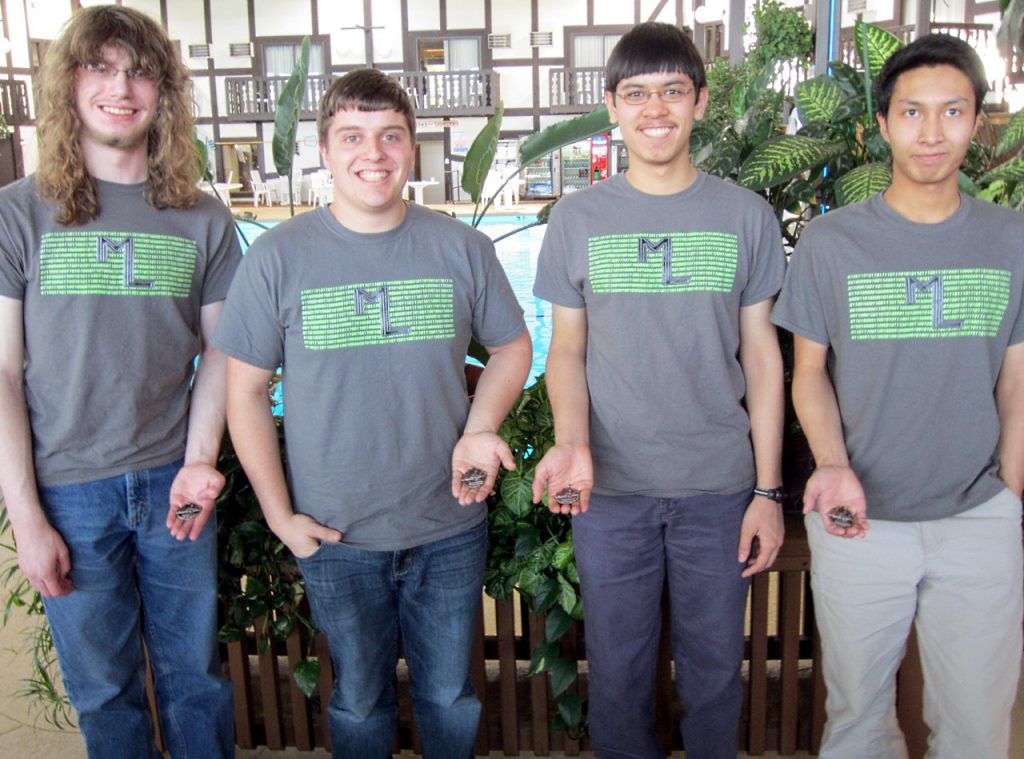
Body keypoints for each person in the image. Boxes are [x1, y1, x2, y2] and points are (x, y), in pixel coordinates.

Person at [213, 68, 531, 759]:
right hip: (336, 535)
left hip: (447, 524)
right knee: (358, 697)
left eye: (391, 135)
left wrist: (480, 428)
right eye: (352, 136)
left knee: (449, 694)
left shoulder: (461, 249)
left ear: (411, 148)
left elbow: (513, 346)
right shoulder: (277, 259)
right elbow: (242, 391)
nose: (374, 152)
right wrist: (278, 515)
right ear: (325, 151)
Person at [530, 21, 786, 759]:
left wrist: (768, 493)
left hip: (718, 489)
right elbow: (566, 350)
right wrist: (572, 443)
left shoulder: (744, 216)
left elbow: (763, 359)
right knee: (616, 673)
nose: (655, 109)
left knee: (714, 675)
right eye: (636, 93)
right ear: (611, 105)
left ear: (700, 103)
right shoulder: (578, 218)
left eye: (673, 91)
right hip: (611, 492)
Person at [771, 33, 1024, 759]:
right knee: (856, 719)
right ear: (882, 124)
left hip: (978, 514)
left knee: (978, 727)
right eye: (913, 113)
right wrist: (831, 463)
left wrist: (1010, 489)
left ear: (977, 123)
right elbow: (807, 371)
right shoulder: (832, 242)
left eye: (952, 111)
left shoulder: (1011, 241)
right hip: (859, 519)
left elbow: (1017, 377)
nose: (932, 132)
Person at [0, 6, 239, 758]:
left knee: (195, 679)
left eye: (138, 70)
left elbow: (223, 354)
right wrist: (26, 517)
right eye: (99, 68)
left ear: (162, 91)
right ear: (68, 85)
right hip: (70, 489)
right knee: (106, 694)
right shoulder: (20, 212)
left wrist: (201, 459)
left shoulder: (201, 217)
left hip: (173, 479)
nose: (120, 87)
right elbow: (2, 371)